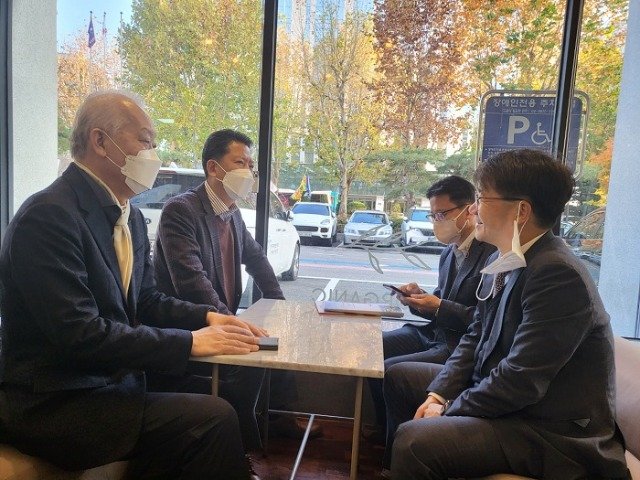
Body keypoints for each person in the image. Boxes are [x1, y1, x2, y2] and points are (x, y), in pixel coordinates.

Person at [0, 91, 264, 480]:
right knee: (214, 417)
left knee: (220, 394)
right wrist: (190, 343)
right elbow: (80, 334)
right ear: (100, 142)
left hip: (109, 384)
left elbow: (146, 299)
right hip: (57, 402)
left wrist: (207, 318)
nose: (154, 154)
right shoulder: (48, 217)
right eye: (145, 140)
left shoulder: (132, 217)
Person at [384, 149, 629, 479]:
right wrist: (438, 393)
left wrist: (448, 408)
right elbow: (476, 337)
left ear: (521, 211)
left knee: (415, 442)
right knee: (399, 378)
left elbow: (521, 380)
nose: (474, 208)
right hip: (515, 404)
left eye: (482, 198)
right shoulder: (507, 259)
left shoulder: (557, 274)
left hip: (550, 431)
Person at [153, 129, 320, 444]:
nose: (248, 172)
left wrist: (279, 305)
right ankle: (244, 447)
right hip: (191, 327)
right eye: (239, 163)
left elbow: (256, 259)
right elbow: (191, 282)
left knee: (274, 338)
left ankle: (277, 418)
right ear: (213, 168)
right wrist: (231, 323)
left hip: (221, 319)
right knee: (252, 356)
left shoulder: (231, 212)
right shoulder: (181, 210)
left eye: (250, 165)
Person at [370, 175, 495, 467]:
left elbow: (484, 320)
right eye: (433, 215)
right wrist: (418, 299)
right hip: (432, 333)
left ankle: (395, 451)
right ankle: (385, 429)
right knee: (371, 350)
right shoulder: (449, 253)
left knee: (390, 370)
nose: (437, 221)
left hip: (455, 344)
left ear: (469, 210)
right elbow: (441, 301)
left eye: (442, 214)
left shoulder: (491, 255)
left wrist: (439, 305)